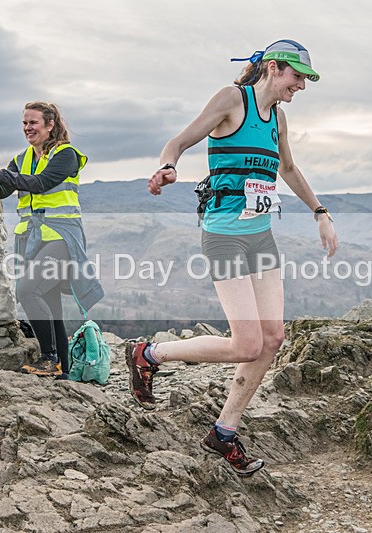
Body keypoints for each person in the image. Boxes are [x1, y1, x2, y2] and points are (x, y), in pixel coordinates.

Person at [125, 39, 338, 477]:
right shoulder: (231, 100)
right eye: (297, 77)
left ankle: (224, 432)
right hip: (223, 236)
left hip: (261, 237)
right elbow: (179, 139)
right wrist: (167, 166)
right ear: (275, 68)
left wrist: (320, 213)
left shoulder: (277, 118)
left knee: (273, 337)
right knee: (246, 344)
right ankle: (149, 354)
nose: (301, 86)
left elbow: (289, 169)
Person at [0, 101, 103, 378]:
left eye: (33, 122)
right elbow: (6, 188)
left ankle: (49, 357)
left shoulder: (66, 155)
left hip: (60, 235)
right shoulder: (22, 158)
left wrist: (2, 175)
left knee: (27, 290)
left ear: (50, 124)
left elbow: (41, 182)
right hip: (32, 237)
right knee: (49, 301)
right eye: (24, 123)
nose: (27, 128)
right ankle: (63, 372)